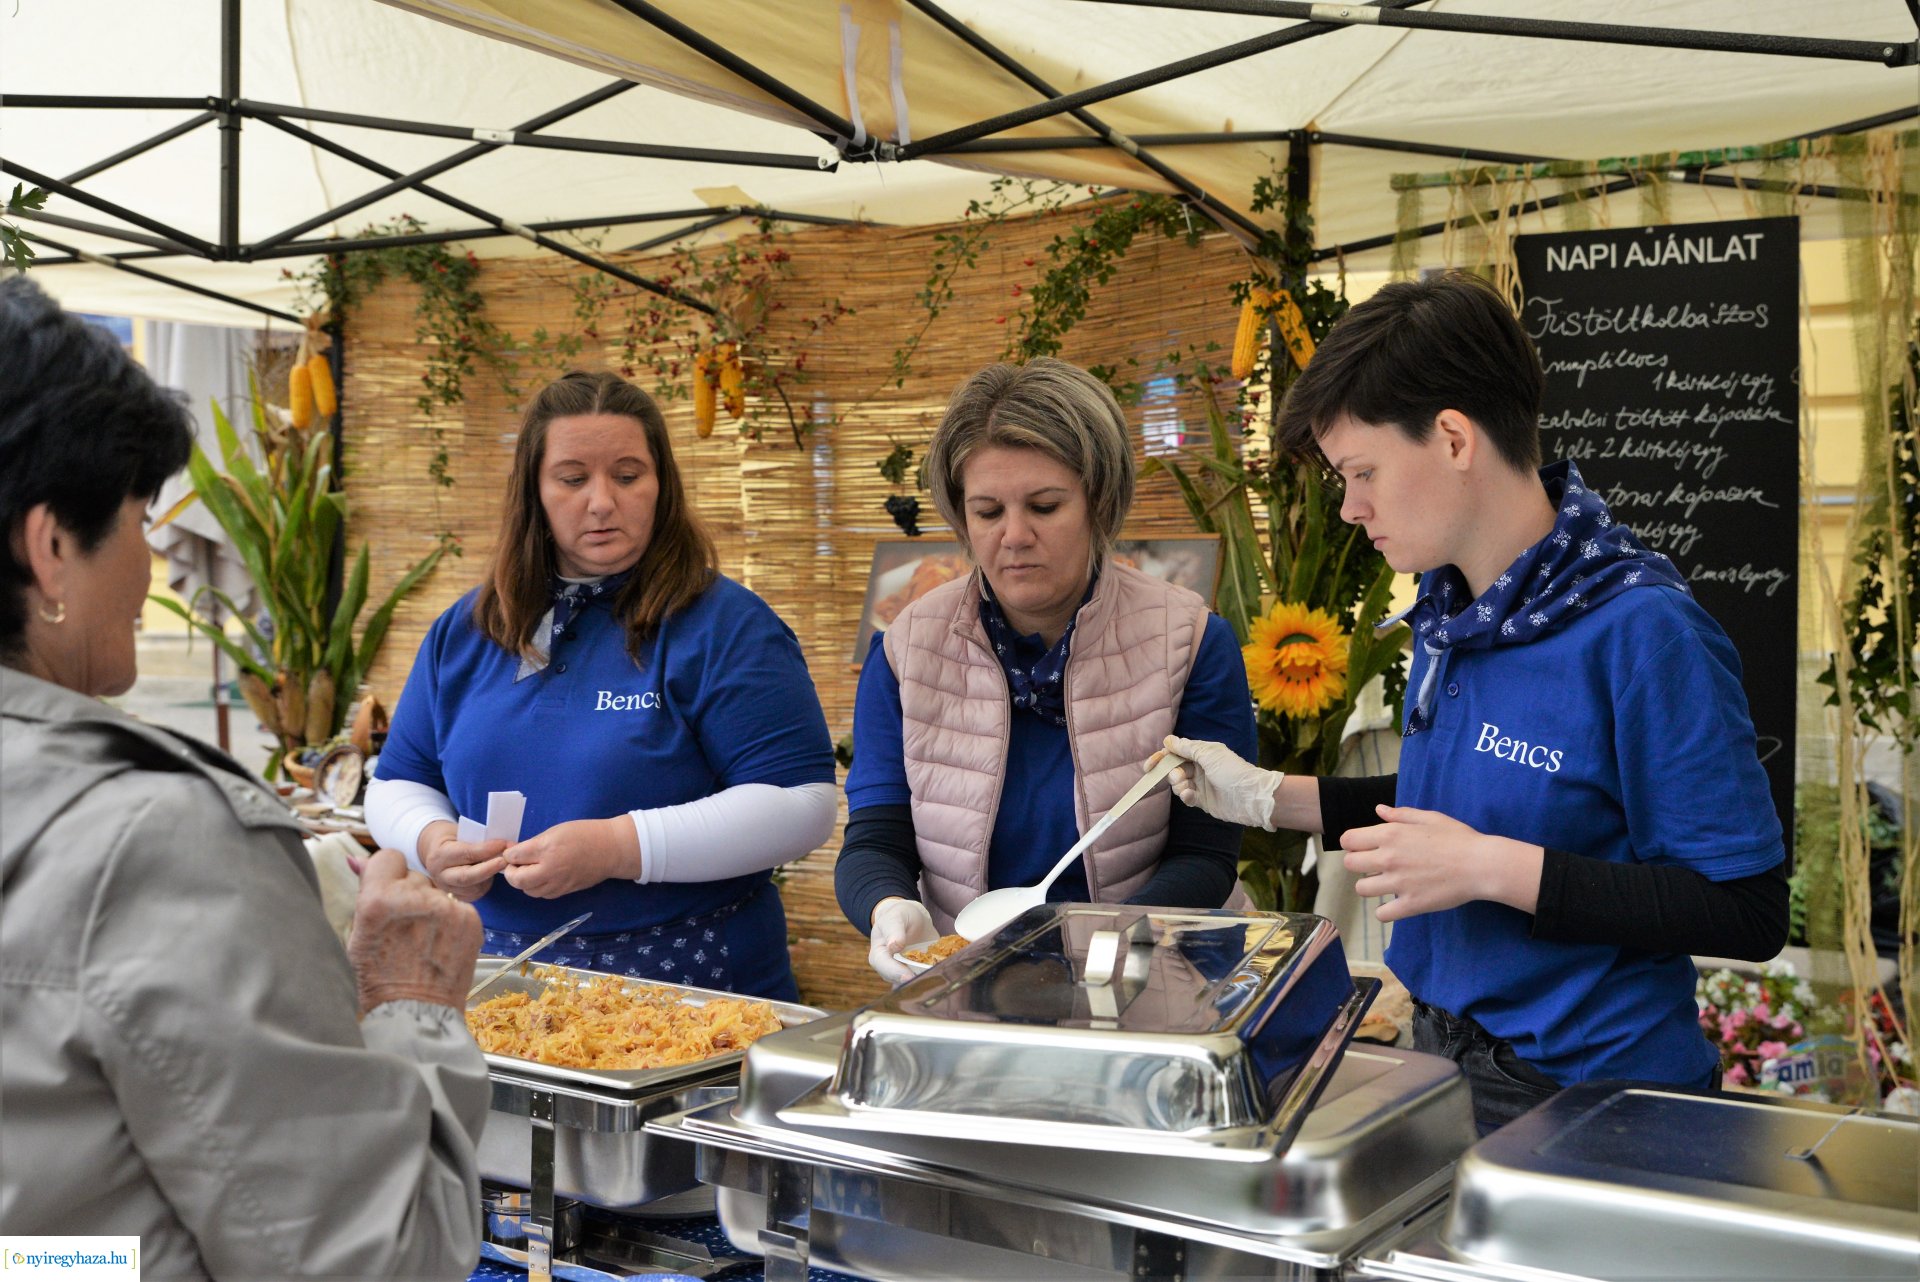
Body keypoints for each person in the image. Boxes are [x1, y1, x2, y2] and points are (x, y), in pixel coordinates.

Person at [1158, 271, 1787, 1133]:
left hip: (1591, 1098)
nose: (1351, 508)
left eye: (1364, 472)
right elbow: (1444, 811)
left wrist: (1494, 870)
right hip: (1440, 1053)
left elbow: (1747, 910)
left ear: (1454, 438)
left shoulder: (1643, 632)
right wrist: (1264, 797)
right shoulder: (1454, 614)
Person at [0, 276, 488, 1278]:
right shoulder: (150, 840)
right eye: (139, 515)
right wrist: (412, 1008)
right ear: (51, 550)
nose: (148, 566)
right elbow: (372, 1257)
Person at [366, 370, 835, 1003]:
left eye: (627, 474)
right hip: (500, 990)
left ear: (661, 485)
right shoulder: (471, 627)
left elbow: (802, 804)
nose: (602, 501)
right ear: (534, 491)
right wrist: (431, 842)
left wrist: (620, 847)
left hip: (695, 992)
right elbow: (399, 782)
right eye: (572, 478)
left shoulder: (726, 625)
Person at [837, 357, 1258, 985]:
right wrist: (888, 905)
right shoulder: (905, 650)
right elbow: (876, 837)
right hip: (969, 978)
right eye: (986, 512)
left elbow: (1206, 850)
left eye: (1044, 505)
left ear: (1100, 503)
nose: (1014, 535)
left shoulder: (1190, 640)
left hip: (1160, 975)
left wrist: (1116, 945)